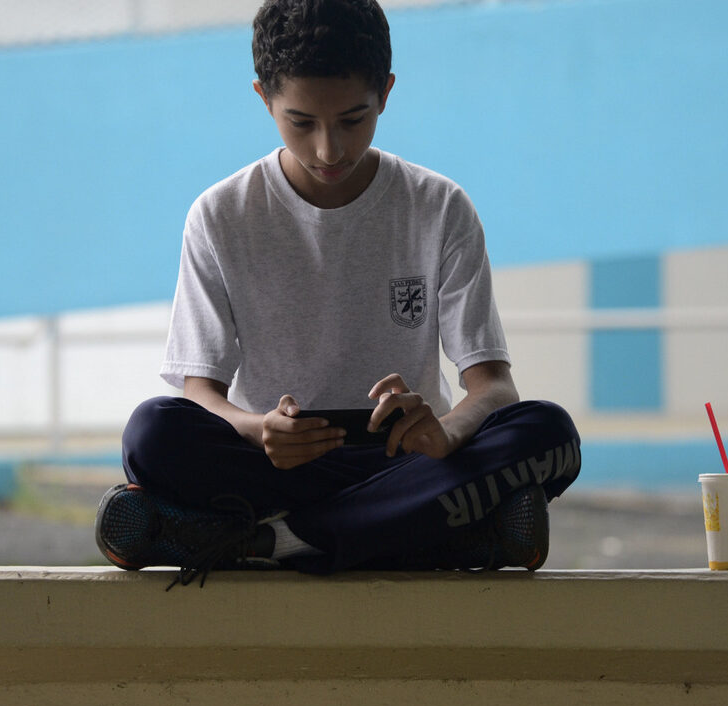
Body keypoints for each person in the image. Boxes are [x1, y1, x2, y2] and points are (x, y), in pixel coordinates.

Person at [96, 0, 580, 587]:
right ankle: (438, 530)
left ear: (386, 93)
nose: (329, 150)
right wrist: (256, 428)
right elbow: (200, 392)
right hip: (278, 459)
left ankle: (276, 540)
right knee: (152, 432)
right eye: (302, 123)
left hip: (405, 455)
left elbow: (495, 387)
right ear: (264, 98)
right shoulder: (222, 214)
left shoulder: (439, 208)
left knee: (548, 433)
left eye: (353, 119)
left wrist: (446, 430)